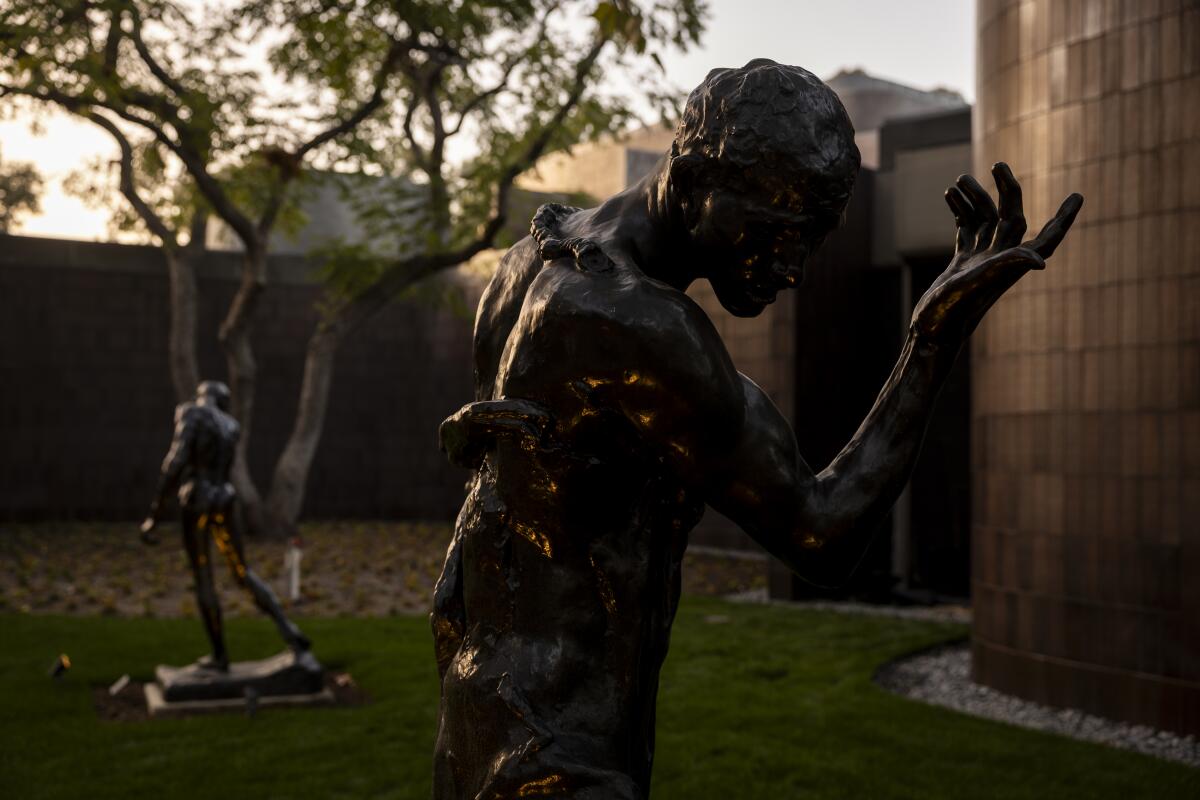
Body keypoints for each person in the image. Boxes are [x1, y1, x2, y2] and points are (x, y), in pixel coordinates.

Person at [432, 59, 1082, 799]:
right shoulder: (638, 326)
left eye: (812, 239)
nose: (794, 267)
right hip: (557, 762)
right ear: (696, 175)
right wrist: (930, 342)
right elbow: (821, 531)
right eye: (777, 231)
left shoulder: (528, 261)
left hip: (477, 719)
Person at [141, 380, 310, 670]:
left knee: (204, 576)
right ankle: (287, 629)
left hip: (198, 498)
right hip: (225, 498)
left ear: (201, 396)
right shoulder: (230, 425)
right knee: (242, 571)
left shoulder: (190, 413)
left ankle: (220, 657)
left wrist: (155, 513)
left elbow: (176, 460)